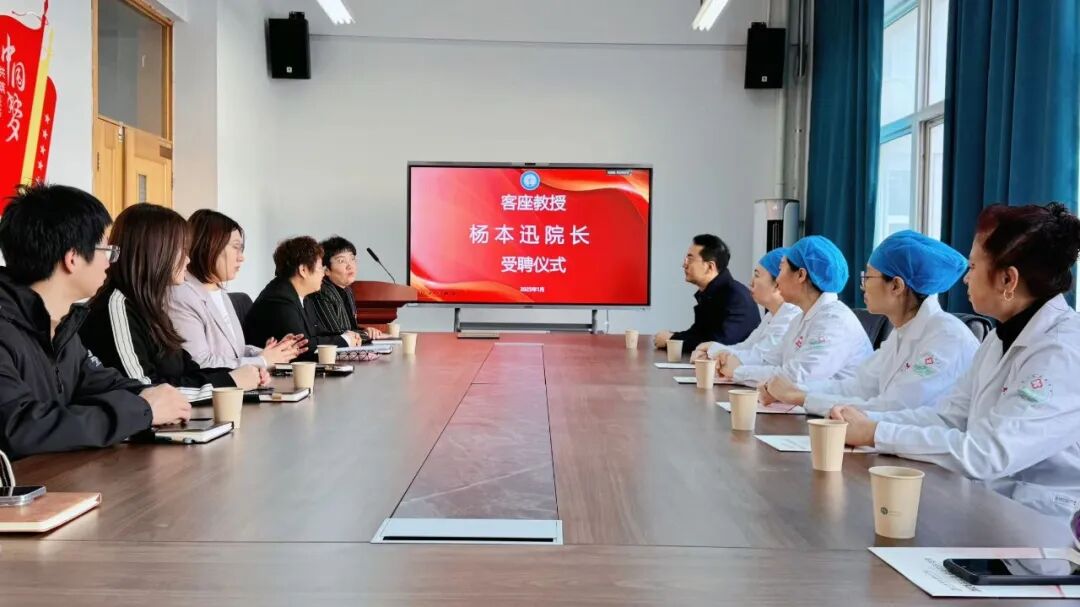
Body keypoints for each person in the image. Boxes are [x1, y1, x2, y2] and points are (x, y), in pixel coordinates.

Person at [832, 203, 1080, 518]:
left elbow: (987, 453)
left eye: (973, 267)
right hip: (989, 504)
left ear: (1008, 279)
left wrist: (875, 432)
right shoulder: (999, 338)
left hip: (1045, 522)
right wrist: (869, 424)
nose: (966, 279)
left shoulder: (1063, 351)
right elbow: (949, 417)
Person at [0, 184, 191, 458]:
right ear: (73, 259)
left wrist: (155, 396)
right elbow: (20, 428)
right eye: (106, 249)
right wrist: (143, 410)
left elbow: (102, 383)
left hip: (60, 477)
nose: (110, 262)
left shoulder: (63, 327)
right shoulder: (6, 328)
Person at [760, 231, 979, 416]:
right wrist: (795, 392)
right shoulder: (902, 332)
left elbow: (893, 408)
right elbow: (858, 386)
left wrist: (801, 397)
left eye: (868, 277)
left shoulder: (947, 337)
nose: (863, 287)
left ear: (896, 286)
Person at [81, 204, 267, 394]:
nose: (188, 259)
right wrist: (229, 382)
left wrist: (240, 374)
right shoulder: (118, 306)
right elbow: (144, 391)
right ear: (157, 252)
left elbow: (189, 369)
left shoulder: (151, 306)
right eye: (182, 250)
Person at [718, 235, 873, 386]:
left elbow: (796, 378)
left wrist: (737, 372)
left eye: (781, 269)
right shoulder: (800, 319)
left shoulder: (834, 322)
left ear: (800, 275)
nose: (777, 280)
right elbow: (771, 361)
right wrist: (731, 364)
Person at [169, 209, 306, 369]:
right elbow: (199, 363)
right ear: (209, 245)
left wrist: (273, 353)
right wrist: (263, 360)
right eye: (236, 247)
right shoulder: (181, 295)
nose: (241, 257)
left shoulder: (219, 291)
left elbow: (235, 352)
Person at [244, 236, 363, 360]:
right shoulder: (279, 299)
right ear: (303, 270)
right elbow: (302, 348)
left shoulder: (302, 296)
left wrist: (349, 336)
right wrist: (345, 340)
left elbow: (317, 333)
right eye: (320, 268)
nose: (323, 273)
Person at [690, 247, 801, 364]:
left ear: (777, 284)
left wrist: (714, 351)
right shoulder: (772, 315)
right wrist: (713, 349)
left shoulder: (789, 318)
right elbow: (746, 347)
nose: (751, 282)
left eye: (757, 276)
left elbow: (759, 358)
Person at [654, 234, 760, 354]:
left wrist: (671, 340)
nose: (684, 264)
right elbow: (698, 333)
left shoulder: (736, 297)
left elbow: (719, 343)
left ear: (710, 266)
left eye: (690, 259)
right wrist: (672, 337)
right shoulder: (711, 293)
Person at [307, 236, 385, 340]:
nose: (350, 266)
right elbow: (335, 333)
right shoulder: (322, 291)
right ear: (326, 270)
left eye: (352, 259)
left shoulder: (347, 290)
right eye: (341, 261)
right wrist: (367, 335)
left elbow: (349, 328)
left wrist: (367, 331)